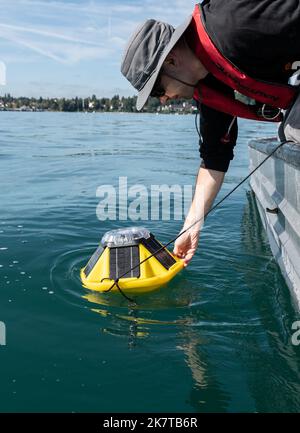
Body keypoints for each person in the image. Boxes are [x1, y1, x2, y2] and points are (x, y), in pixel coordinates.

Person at [121, 0, 300, 266]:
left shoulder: (236, 23)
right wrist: (191, 225)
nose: (163, 100)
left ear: (170, 60)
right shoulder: (208, 83)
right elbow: (215, 157)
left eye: (157, 90)